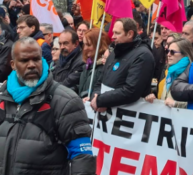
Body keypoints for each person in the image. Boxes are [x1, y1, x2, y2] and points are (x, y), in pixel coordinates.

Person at [0, 37, 96, 174]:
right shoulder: (3, 97)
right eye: (24, 60)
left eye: (36, 59)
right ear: (13, 64)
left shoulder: (65, 101)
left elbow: (82, 157)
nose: (32, 65)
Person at [91, 18, 155, 110]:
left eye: (117, 33)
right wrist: (95, 97)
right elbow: (100, 82)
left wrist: (101, 101)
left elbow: (131, 91)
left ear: (130, 34)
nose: (113, 36)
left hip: (127, 117)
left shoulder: (143, 55)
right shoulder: (114, 52)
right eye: (113, 33)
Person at [145, 38, 193, 108]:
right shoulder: (169, 70)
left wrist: (176, 104)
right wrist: (153, 96)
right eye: (167, 51)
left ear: (185, 54)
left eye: (172, 52)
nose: (168, 54)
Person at [79, 28, 111, 99]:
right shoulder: (87, 65)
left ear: (99, 45)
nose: (85, 48)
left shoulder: (103, 66)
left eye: (89, 45)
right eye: (84, 44)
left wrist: (90, 98)